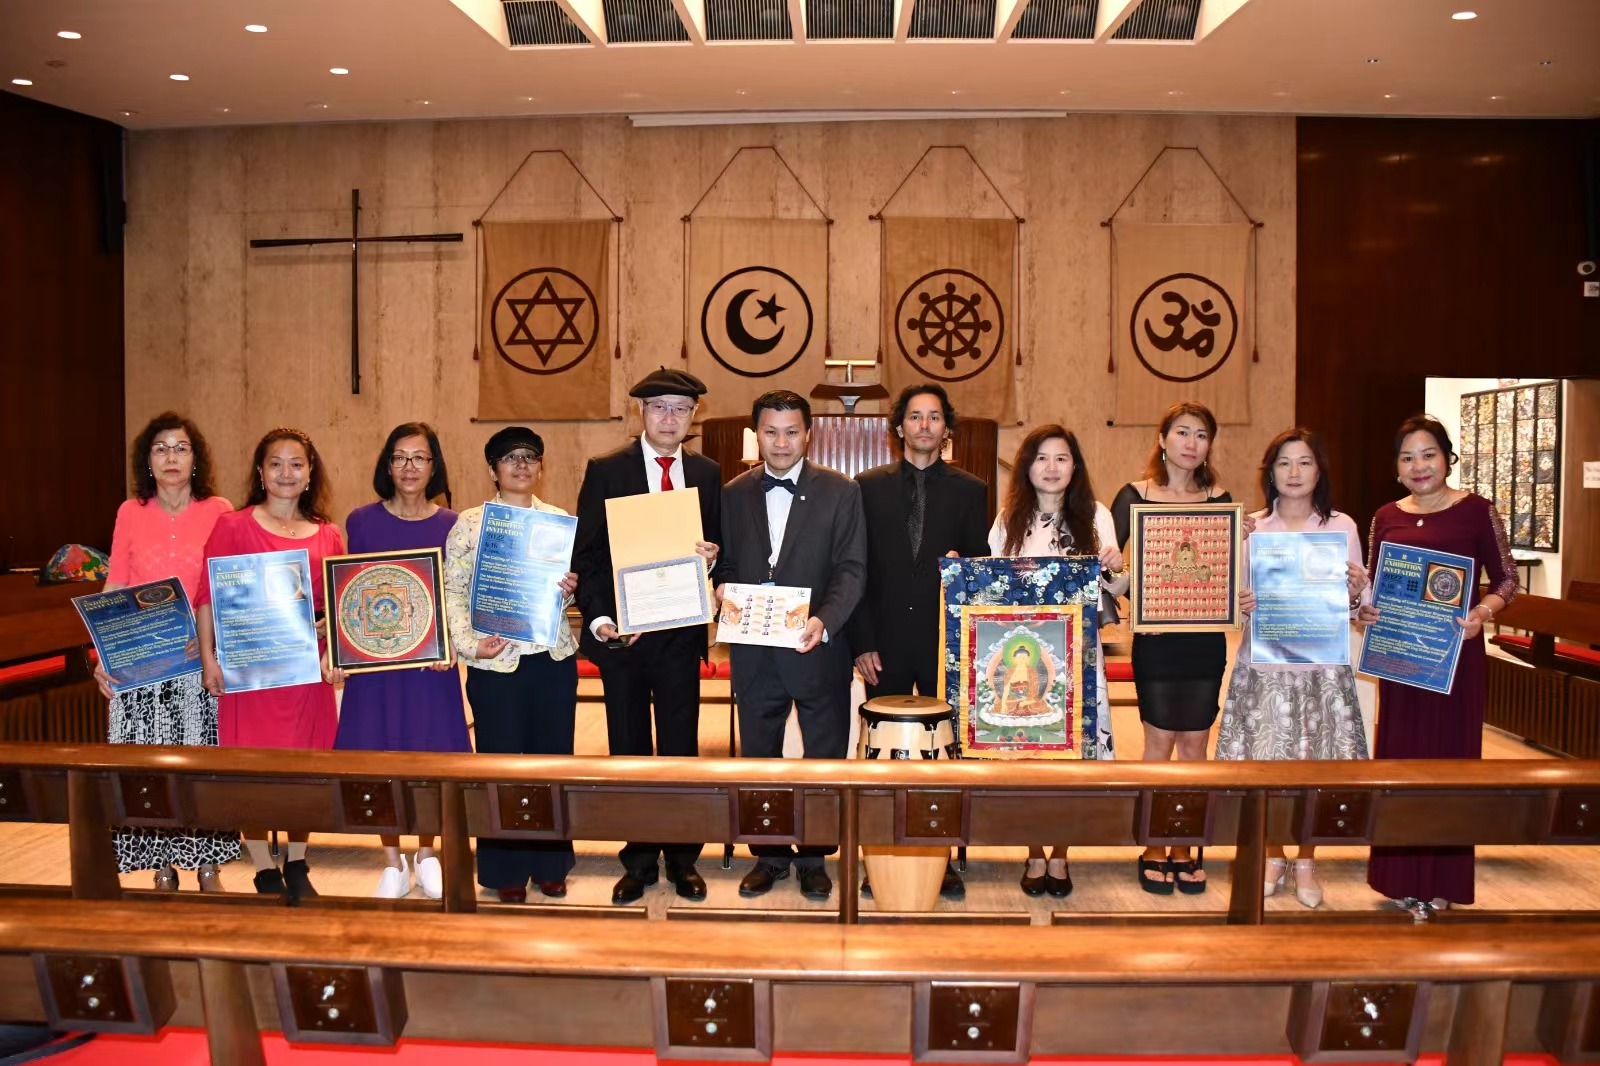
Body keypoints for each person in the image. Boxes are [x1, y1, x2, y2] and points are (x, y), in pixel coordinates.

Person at [573, 368, 722, 905]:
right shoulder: (607, 470)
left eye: (680, 409)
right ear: (641, 412)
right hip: (625, 637)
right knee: (629, 747)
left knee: (680, 749)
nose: (669, 418)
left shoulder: (706, 472)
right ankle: (637, 858)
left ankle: (683, 858)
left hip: (680, 635)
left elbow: (720, 544)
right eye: (659, 407)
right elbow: (587, 555)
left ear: (693, 416)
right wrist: (600, 620)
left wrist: (714, 557)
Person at [1359, 414, 1515, 911]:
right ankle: (1400, 878)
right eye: (1407, 457)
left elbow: (1507, 579)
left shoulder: (1477, 511)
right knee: (1401, 762)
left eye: (1428, 454)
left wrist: (1481, 614)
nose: (1419, 465)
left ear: (1447, 458)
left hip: (1455, 662)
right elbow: (1374, 584)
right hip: (1402, 663)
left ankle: (1443, 880)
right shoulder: (1385, 516)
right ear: (1396, 467)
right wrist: (1365, 610)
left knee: (1450, 764)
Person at [719, 390, 866, 902]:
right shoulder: (733, 492)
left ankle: (814, 857)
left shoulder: (841, 491)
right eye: (770, 432)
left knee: (823, 755)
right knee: (761, 756)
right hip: (754, 652)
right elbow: (727, 563)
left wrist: (826, 620)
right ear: (756, 435)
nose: (780, 443)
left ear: (808, 434)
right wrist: (722, 586)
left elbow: (851, 569)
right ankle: (769, 854)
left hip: (816, 647)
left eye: (791, 432)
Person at [845, 383, 988, 901]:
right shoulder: (865, 487)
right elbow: (855, 570)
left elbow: (980, 569)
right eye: (914, 416)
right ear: (899, 427)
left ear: (947, 428)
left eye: (934, 417)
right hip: (881, 642)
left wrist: (964, 568)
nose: (924, 425)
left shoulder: (972, 490)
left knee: (943, 753)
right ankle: (880, 855)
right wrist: (861, 641)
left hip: (944, 644)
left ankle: (940, 858)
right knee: (882, 753)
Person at [1216, 428, 1370, 908]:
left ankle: (1306, 859)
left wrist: (1355, 591)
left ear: (1319, 471)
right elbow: (1230, 599)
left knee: (1316, 768)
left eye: (1304, 462)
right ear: (1271, 472)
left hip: (1320, 670)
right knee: (1265, 764)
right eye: (1284, 463)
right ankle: (1272, 854)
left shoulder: (1341, 526)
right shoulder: (1252, 528)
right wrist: (1240, 603)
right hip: (1265, 667)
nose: (1294, 472)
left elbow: (1357, 606)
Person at [195, 427, 343, 899]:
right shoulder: (233, 526)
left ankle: (297, 862)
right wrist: (208, 658)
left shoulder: (328, 534)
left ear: (310, 472)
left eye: (296, 464)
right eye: (275, 463)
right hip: (249, 676)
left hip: (306, 677)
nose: (286, 473)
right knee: (251, 768)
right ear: (260, 472)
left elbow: (338, 604)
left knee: (305, 768)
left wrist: (332, 648)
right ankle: (263, 868)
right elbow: (206, 597)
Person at [96, 412, 239, 891]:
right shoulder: (129, 512)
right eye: (160, 448)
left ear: (196, 459)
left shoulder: (219, 510)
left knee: (201, 765)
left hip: (200, 662)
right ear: (148, 460)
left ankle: (208, 863)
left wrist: (214, 643)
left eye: (181, 447)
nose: (171, 457)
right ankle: (160, 863)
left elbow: (226, 584)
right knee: (148, 766)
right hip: (140, 665)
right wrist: (102, 657)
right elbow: (116, 583)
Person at [331, 423, 469, 900]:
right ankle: (391, 859)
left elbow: (456, 596)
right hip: (375, 670)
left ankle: (427, 853)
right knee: (378, 756)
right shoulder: (360, 521)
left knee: (431, 754)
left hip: (431, 669)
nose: (410, 467)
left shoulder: (453, 525)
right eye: (400, 457)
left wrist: (449, 643)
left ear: (434, 466)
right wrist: (342, 647)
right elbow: (350, 592)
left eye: (420, 457)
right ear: (387, 465)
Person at [988, 425, 1126, 898]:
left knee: (1076, 760)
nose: (1051, 467)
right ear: (1027, 467)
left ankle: (1062, 853)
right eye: (1041, 458)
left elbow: (1115, 588)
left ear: (1075, 466)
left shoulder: (1097, 515)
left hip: (1080, 660)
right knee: (1028, 755)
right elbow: (992, 591)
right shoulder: (1008, 521)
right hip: (1026, 662)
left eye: (1062, 458)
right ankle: (1033, 851)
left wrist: (1117, 566)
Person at [444, 427, 580, 904]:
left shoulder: (557, 520)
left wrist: (569, 590)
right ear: (493, 469)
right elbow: (452, 591)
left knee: (551, 762)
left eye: (530, 457)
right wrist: (469, 646)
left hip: (551, 660)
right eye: (510, 458)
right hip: (496, 662)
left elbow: (561, 596)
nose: (521, 465)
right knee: (501, 765)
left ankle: (550, 864)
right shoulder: (471, 524)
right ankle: (505, 869)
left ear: (540, 466)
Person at [1110, 401, 1238, 896]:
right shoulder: (1133, 496)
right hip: (1156, 641)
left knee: (1196, 745)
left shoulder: (1221, 500)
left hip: (1204, 639)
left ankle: (1185, 844)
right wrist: (1123, 580)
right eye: (1182, 432)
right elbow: (1112, 576)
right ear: (1162, 440)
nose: (1191, 443)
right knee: (1158, 743)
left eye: (1201, 435)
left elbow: (1223, 572)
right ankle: (1154, 845)